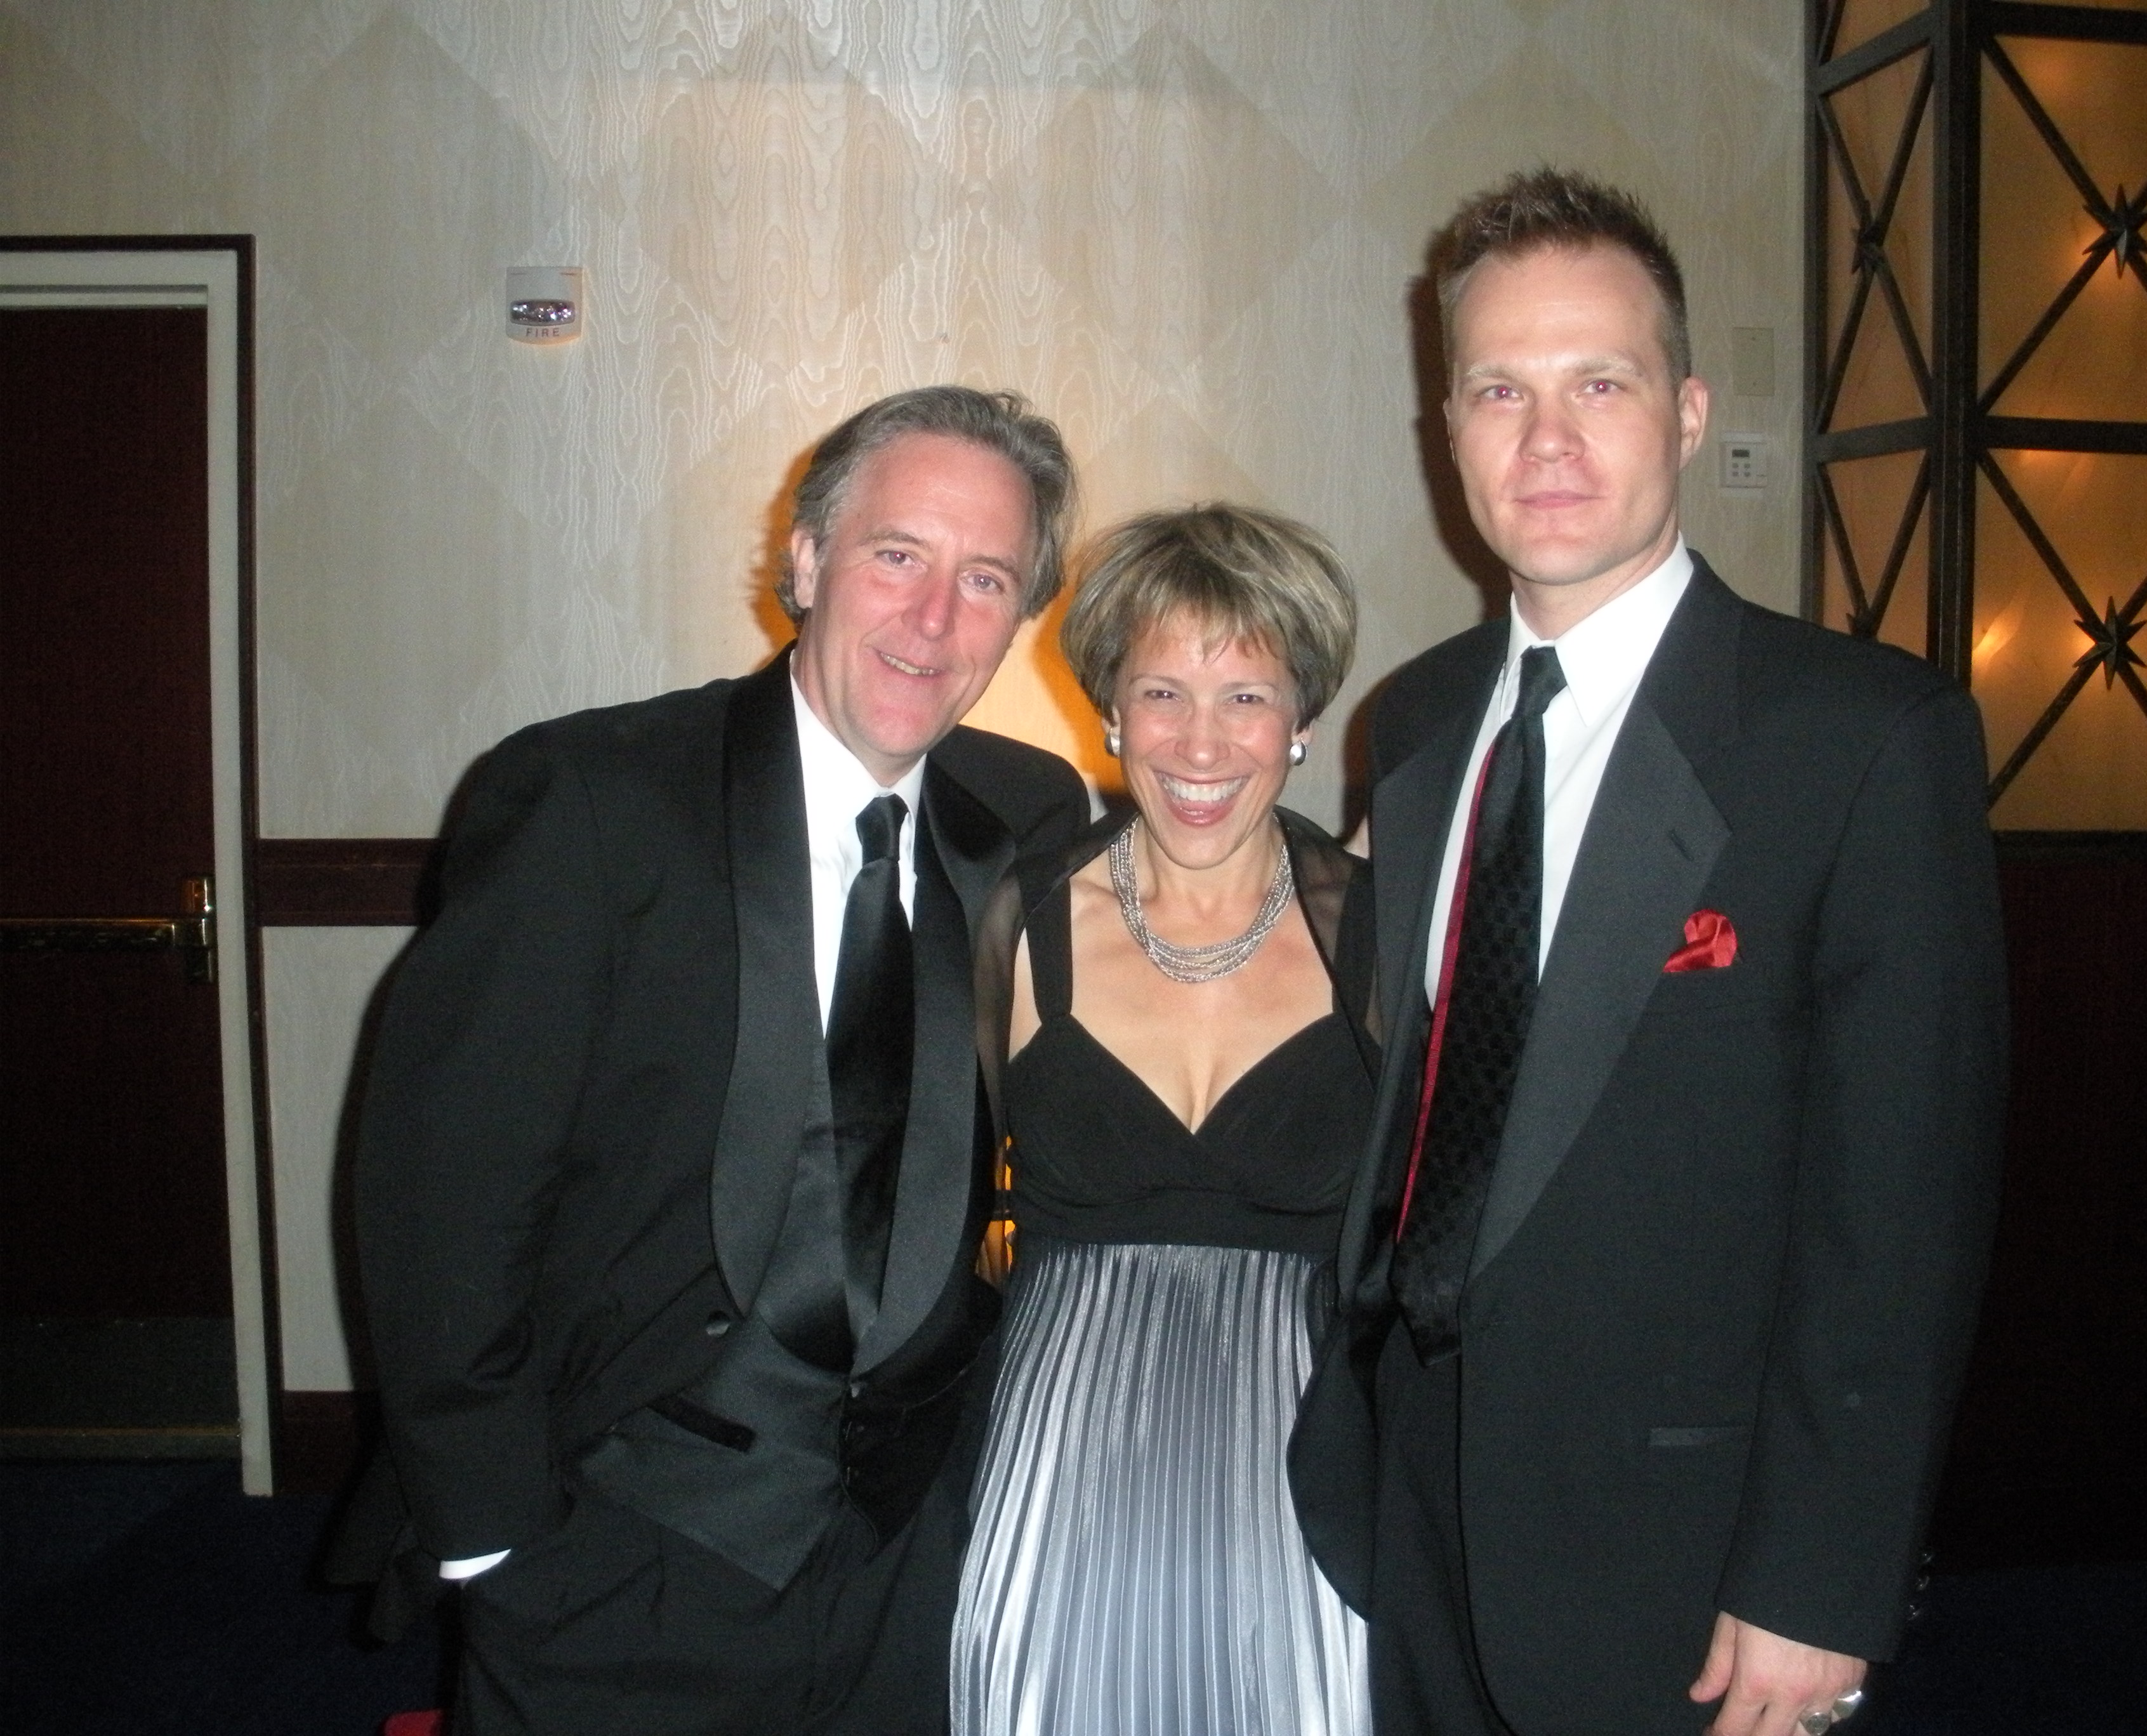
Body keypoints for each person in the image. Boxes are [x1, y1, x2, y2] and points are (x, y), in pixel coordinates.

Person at [1289, 168, 2008, 1736]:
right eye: (1499, 391)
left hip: (1677, 1553)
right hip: (1407, 1490)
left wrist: (1821, 1579)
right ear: (1448, 432)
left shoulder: (1860, 741)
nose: (1547, 441)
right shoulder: (1409, 729)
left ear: (1685, 413)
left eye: (1598, 383)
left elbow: (1901, 1209)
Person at [352, 385, 1089, 1735]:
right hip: (624, 1544)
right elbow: (439, 1196)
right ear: (805, 559)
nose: (935, 620)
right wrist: (500, 1544)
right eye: (897, 555)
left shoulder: (1027, 819)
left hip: (908, 1548)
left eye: (986, 578)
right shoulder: (594, 801)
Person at [950, 504, 1377, 1735]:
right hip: (1062, 1456)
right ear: (1108, 710)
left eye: (1246, 696)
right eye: (1161, 693)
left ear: (1303, 720)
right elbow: (927, 1208)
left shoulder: (1386, 935)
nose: (1201, 742)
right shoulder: (1012, 923)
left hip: (1310, 1466)